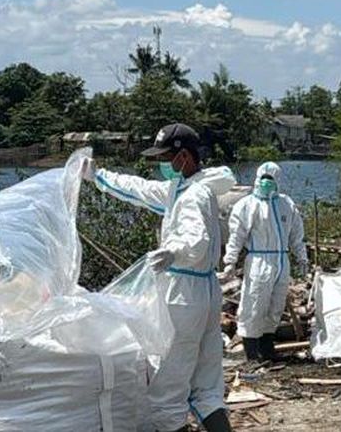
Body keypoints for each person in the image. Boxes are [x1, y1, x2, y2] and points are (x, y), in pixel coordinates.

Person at [82, 123, 236, 432]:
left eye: (166, 157)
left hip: (184, 293)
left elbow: (198, 239)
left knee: (169, 384)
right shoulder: (186, 188)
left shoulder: (193, 195)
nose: (162, 164)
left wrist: (173, 252)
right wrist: (99, 176)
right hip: (204, 290)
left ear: (183, 156)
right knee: (206, 384)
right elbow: (139, 189)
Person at [223, 162, 308, 361]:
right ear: (257, 178)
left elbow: (297, 234)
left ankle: (267, 350)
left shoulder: (286, 204)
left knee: (275, 306)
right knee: (254, 305)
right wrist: (230, 261)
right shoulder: (247, 205)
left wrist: (302, 257)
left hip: (281, 261)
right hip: (259, 260)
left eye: (271, 179)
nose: (267, 183)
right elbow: (236, 236)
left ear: (278, 181)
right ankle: (252, 354)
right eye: (264, 178)